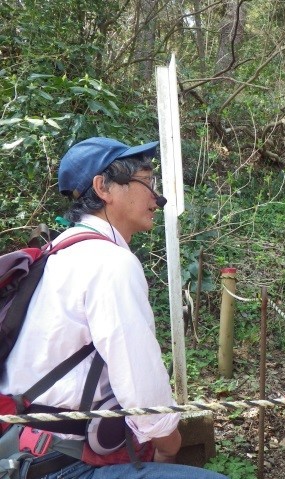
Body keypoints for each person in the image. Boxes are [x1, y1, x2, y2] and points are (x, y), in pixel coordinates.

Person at [0, 137, 227, 479]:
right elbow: (141, 388)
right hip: (64, 463)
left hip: (22, 451)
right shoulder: (110, 263)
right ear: (103, 187)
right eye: (146, 183)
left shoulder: (57, 252)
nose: (157, 197)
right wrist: (168, 442)